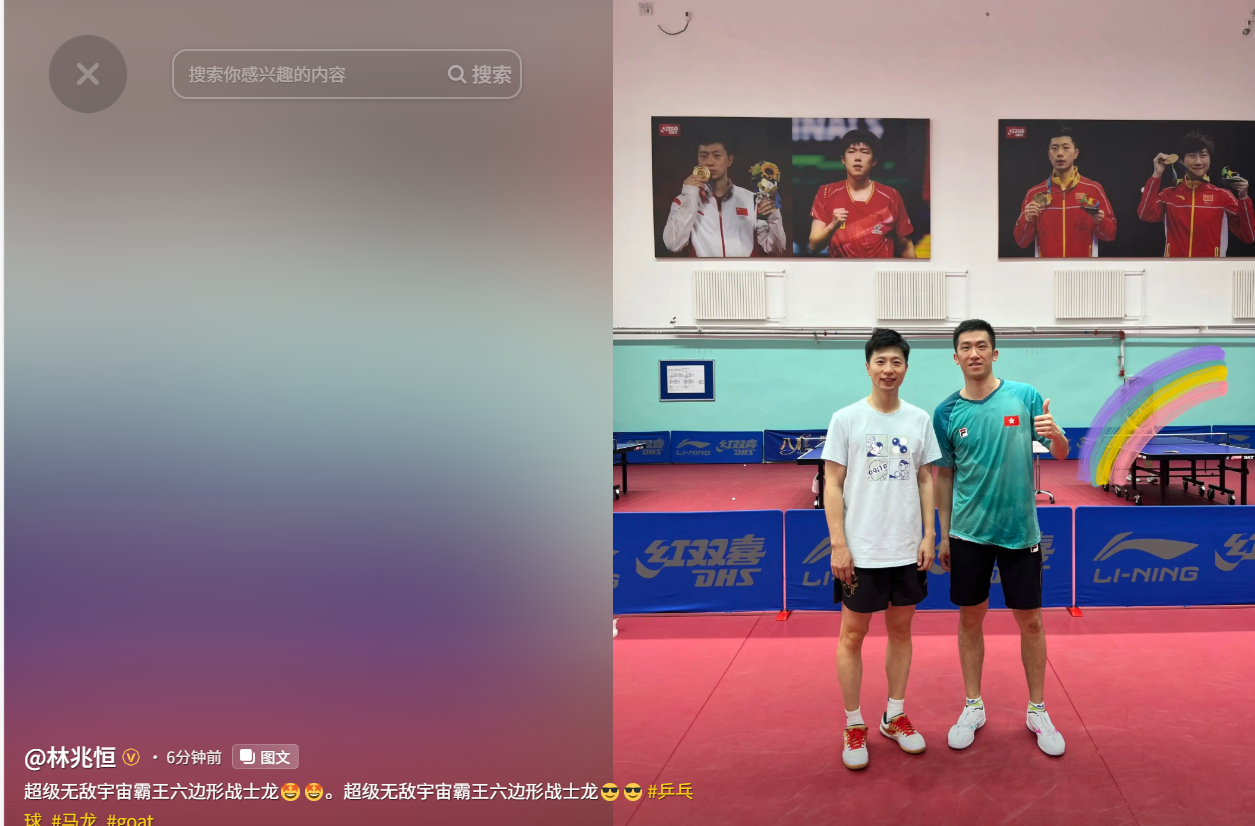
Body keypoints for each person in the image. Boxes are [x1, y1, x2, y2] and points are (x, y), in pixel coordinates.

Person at [933, 319, 1069, 757]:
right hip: (968, 532)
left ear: (995, 353)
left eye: (981, 346)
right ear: (955, 357)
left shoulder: (1024, 396)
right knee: (970, 619)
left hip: (1019, 531)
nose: (973, 353)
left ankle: (1037, 709)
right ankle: (973, 705)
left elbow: (1062, 452)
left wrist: (1056, 435)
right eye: (965, 347)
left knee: (1031, 622)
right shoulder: (946, 412)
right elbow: (943, 477)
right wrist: (943, 535)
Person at [821, 328, 941, 771]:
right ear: (868, 366)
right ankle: (854, 723)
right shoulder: (846, 419)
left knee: (901, 632)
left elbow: (925, 478)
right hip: (862, 549)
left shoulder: (918, 419)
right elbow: (832, 484)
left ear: (906, 367)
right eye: (881, 361)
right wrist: (839, 544)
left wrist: (929, 534)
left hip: (906, 547)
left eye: (897, 362)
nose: (888, 369)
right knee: (852, 636)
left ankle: (894, 715)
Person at [662, 131, 786, 257]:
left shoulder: (753, 200)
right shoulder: (683, 200)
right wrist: (689, 196)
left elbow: (776, 250)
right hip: (705, 270)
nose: (709, 162)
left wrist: (774, 217)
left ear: (729, 160)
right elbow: (673, 244)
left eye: (717, 156)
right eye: (703, 156)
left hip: (744, 270)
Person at [1137, 130, 1253, 257]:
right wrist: (1156, 174)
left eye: (1203, 155)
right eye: (1192, 156)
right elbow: (1145, 214)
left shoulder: (1223, 196)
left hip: (1210, 267)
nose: (1198, 162)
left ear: (1210, 160)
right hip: (1174, 267)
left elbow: (1249, 236)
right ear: (1181, 161)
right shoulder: (1169, 195)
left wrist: (1243, 198)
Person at [809, 130, 916, 258]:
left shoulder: (890, 196)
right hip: (842, 270)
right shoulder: (826, 192)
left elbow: (906, 247)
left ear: (874, 161)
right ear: (843, 159)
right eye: (851, 151)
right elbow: (814, 246)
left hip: (881, 270)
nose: (858, 158)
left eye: (864, 152)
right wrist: (833, 226)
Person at [1013, 126, 1116, 257]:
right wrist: (1028, 221)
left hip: (1082, 267)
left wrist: (1100, 221)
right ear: (1048, 154)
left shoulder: (1093, 189)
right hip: (1047, 267)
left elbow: (1110, 235)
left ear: (1076, 153)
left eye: (1066, 148)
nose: (1060, 153)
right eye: (1054, 148)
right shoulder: (1034, 193)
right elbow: (1021, 242)